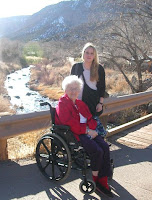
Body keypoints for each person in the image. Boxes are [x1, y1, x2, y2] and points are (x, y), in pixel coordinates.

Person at [55, 75, 113, 197]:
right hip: (73, 134)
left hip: (88, 132)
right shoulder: (62, 104)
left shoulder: (81, 104)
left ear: (79, 90)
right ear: (65, 90)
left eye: (76, 88)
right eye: (70, 88)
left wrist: (91, 129)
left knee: (105, 147)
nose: (73, 91)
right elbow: (69, 123)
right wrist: (87, 131)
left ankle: (103, 180)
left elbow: (91, 118)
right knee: (97, 151)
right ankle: (96, 179)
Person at [71, 42, 105, 117]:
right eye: (87, 53)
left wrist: (100, 104)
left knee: (91, 127)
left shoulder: (99, 69)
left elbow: (102, 88)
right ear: (83, 53)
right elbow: (70, 86)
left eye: (92, 53)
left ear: (94, 55)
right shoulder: (76, 67)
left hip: (92, 104)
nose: (89, 55)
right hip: (77, 105)